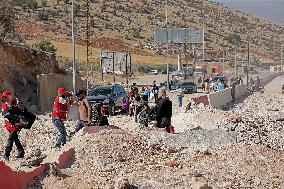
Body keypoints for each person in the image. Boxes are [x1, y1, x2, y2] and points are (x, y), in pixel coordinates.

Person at [1, 91, 24, 160]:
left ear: (10, 97)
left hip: (16, 124)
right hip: (9, 125)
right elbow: (5, 115)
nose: (5, 98)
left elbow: (21, 111)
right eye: (4, 97)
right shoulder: (4, 105)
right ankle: (21, 152)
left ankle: (6, 154)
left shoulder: (15, 103)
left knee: (11, 137)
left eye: (6, 97)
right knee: (15, 138)